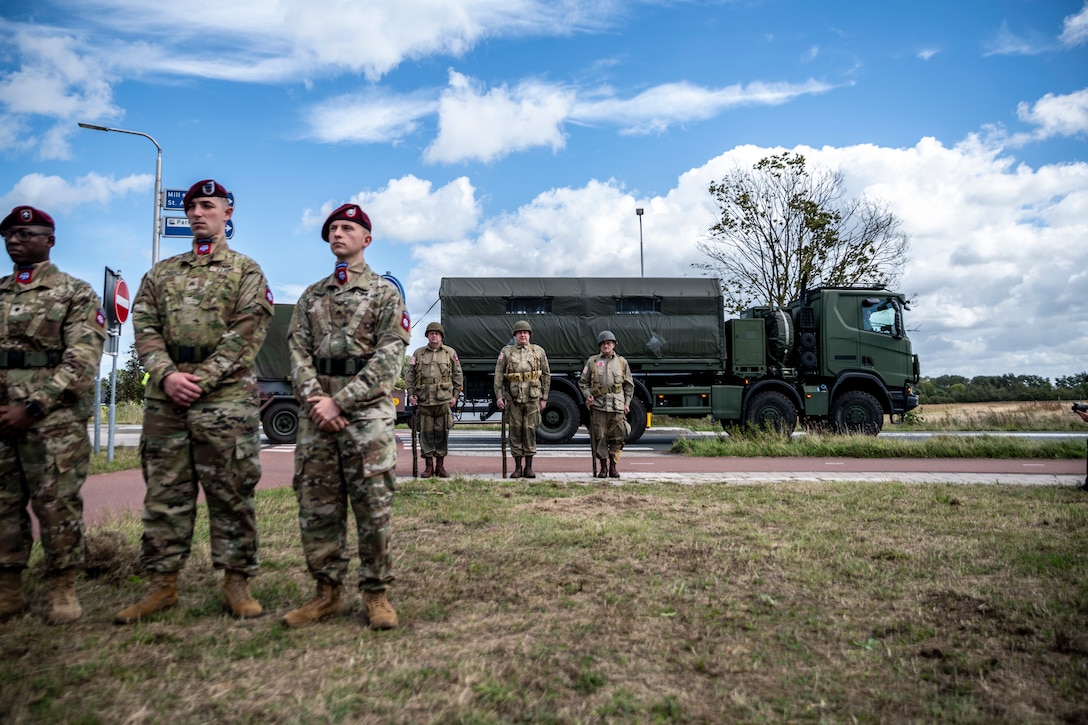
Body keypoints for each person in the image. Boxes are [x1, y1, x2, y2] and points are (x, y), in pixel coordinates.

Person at [116, 180, 273, 624]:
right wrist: (167, 375)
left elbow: (246, 333)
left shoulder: (247, 271)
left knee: (231, 492)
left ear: (228, 213)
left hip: (224, 398)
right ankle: (162, 585)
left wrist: (199, 379)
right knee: (165, 493)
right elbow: (143, 326)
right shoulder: (161, 273)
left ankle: (236, 582)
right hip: (167, 399)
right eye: (192, 208)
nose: (198, 214)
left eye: (208, 206)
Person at [281, 203, 409, 630]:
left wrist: (343, 402)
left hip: (366, 416)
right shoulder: (312, 296)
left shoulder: (386, 294)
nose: (338, 233)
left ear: (366, 239)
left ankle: (376, 594)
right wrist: (318, 400)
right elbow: (296, 351)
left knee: (373, 506)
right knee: (318, 507)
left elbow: (390, 356)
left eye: (347, 228)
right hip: (317, 415)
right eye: (333, 228)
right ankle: (327, 593)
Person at [0, 206, 106, 624]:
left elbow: (82, 359)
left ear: (50, 239)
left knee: (56, 504)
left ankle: (62, 586)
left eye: (25, 233)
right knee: (3, 505)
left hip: (53, 422)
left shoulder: (75, 293)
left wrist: (33, 406)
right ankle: (8, 587)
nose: (14, 240)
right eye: (8, 234)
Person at [406, 322, 463, 478]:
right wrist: (411, 394)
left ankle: (440, 466)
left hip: (443, 400)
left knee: (442, 433)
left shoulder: (450, 353)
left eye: (437, 333)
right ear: (427, 336)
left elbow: (458, 376)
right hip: (424, 400)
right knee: (425, 434)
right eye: (431, 333)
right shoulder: (418, 353)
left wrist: (455, 396)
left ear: (441, 336)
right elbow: (410, 375)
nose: (434, 336)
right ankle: (428, 467)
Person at [494, 320, 550, 478]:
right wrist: (499, 396)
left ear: (530, 335)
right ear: (515, 335)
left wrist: (544, 397)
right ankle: (518, 467)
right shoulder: (506, 352)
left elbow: (546, 375)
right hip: (513, 399)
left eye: (525, 332)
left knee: (530, 430)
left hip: (533, 398)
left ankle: (529, 467)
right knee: (515, 432)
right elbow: (498, 376)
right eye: (520, 333)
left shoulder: (538, 351)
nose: (523, 335)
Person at [578, 330, 634, 478]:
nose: (606, 345)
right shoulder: (593, 361)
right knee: (599, 437)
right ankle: (603, 468)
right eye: (603, 343)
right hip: (598, 405)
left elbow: (629, 385)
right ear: (599, 346)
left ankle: (613, 467)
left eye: (609, 343)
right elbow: (583, 382)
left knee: (618, 437)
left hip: (617, 406)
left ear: (614, 345)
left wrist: (627, 403)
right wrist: (588, 395)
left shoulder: (622, 362)